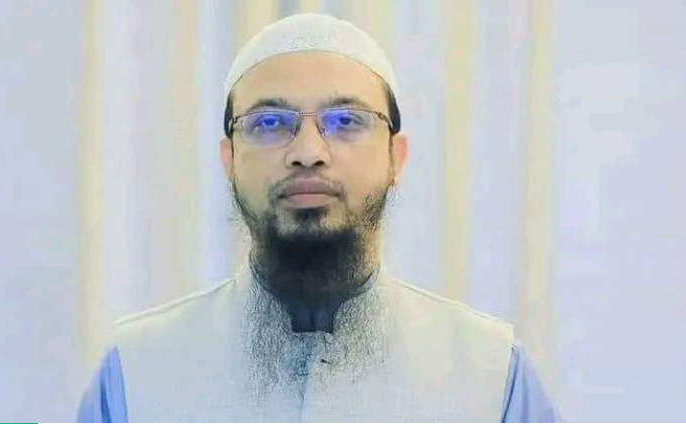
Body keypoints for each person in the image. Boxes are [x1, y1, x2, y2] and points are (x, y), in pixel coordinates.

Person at [77, 13, 561, 422]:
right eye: (269, 123)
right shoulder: (138, 374)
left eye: (345, 121)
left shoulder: (490, 376)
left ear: (396, 157)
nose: (308, 151)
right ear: (229, 161)